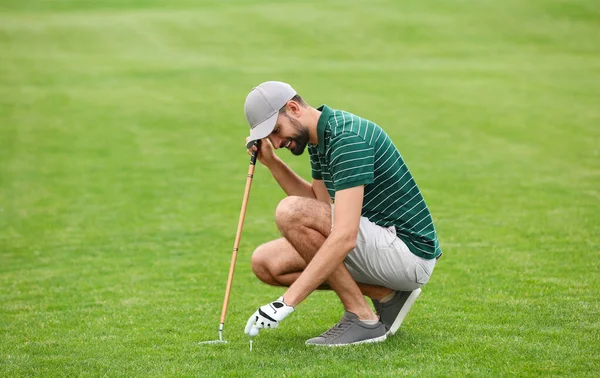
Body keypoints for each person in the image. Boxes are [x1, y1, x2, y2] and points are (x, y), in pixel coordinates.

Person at [243, 81, 442, 346]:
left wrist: (285, 303)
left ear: (293, 108)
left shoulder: (347, 138)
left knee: (289, 210)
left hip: (409, 254)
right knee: (266, 263)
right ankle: (386, 295)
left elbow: (344, 235)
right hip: (382, 245)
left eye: (276, 131)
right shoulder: (319, 139)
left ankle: (363, 318)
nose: (277, 143)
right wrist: (272, 163)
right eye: (270, 138)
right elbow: (318, 204)